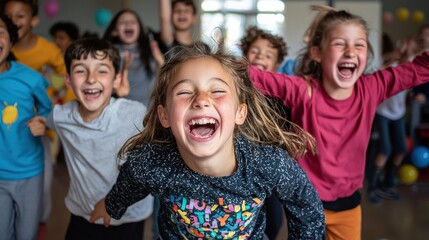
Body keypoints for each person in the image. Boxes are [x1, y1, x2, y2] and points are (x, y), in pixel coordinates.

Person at [89, 42, 325, 239]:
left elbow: (306, 206)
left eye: (217, 91)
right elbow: (131, 180)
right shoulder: (152, 162)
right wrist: (112, 205)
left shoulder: (267, 162)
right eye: (184, 92)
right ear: (165, 115)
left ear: (240, 113)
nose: (201, 100)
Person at [248, 7, 429, 240]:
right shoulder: (303, 91)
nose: (350, 52)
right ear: (317, 53)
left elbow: (420, 69)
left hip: (347, 205)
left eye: (359, 45)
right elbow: (250, 74)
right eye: (340, 44)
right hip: (306, 201)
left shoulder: (372, 88)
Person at [45, 38, 153, 240]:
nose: (91, 78)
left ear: (117, 80)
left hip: (127, 218)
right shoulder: (61, 116)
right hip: (82, 216)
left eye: (101, 70)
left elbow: (150, 163)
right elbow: (45, 120)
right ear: (68, 80)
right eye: (80, 70)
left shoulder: (135, 114)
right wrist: (38, 123)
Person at [0, 0, 68, 234]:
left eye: (21, 15)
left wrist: (49, 113)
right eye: (11, 15)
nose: (17, 19)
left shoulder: (34, 72)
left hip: (30, 161)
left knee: (29, 226)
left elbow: (61, 81)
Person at [0, 12, 52, 240]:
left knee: (26, 234)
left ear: (11, 41)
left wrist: (44, 122)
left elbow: (49, 110)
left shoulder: (30, 78)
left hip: (30, 172)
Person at [239, 25, 289, 239]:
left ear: (277, 65)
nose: (260, 57)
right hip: (239, 174)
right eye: (255, 52)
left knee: (274, 221)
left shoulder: (281, 98)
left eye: (268, 55)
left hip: (270, 176)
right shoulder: (236, 92)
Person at [366, 33, 408, 204]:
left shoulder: (411, 67)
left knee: (401, 148)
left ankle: (388, 184)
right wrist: (392, 56)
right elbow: (376, 72)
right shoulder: (389, 65)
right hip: (383, 112)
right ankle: (373, 187)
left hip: (399, 113)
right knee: (385, 149)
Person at [103, 9, 156, 106]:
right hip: (119, 110)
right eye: (123, 22)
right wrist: (124, 69)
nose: (128, 24)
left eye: (132, 21)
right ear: (114, 31)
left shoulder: (149, 50)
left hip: (146, 111)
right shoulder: (109, 52)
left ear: (140, 29)